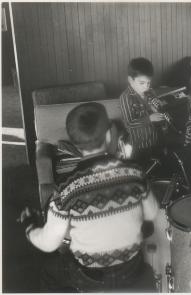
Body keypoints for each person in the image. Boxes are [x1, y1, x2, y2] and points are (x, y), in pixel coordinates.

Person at [20, 102, 159, 292]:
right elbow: (152, 214)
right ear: (109, 135)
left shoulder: (65, 188)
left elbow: (49, 244)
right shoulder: (135, 172)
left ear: (73, 144)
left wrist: (30, 227)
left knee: (48, 270)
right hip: (132, 272)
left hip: (89, 278)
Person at [119, 57, 167, 159]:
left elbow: (157, 110)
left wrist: (159, 105)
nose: (146, 87)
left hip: (156, 140)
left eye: (148, 83)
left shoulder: (150, 91)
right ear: (130, 80)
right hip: (139, 146)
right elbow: (129, 123)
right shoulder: (126, 97)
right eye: (142, 83)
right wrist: (149, 118)